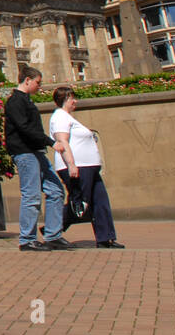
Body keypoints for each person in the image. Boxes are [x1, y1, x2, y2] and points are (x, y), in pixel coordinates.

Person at [6, 66, 73, 251]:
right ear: (27, 80)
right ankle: (27, 239)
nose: (39, 86)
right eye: (37, 82)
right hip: (24, 152)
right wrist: (51, 142)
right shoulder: (15, 102)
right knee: (31, 195)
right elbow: (24, 128)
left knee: (56, 190)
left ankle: (53, 235)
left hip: (36, 151)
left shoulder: (26, 101)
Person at [51, 87, 123, 248]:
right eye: (72, 98)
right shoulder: (60, 117)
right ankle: (52, 230)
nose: (75, 101)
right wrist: (71, 165)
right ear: (64, 100)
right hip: (78, 167)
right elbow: (62, 142)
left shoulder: (69, 118)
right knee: (80, 204)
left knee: (100, 200)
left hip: (89, 167)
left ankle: (106, 238)